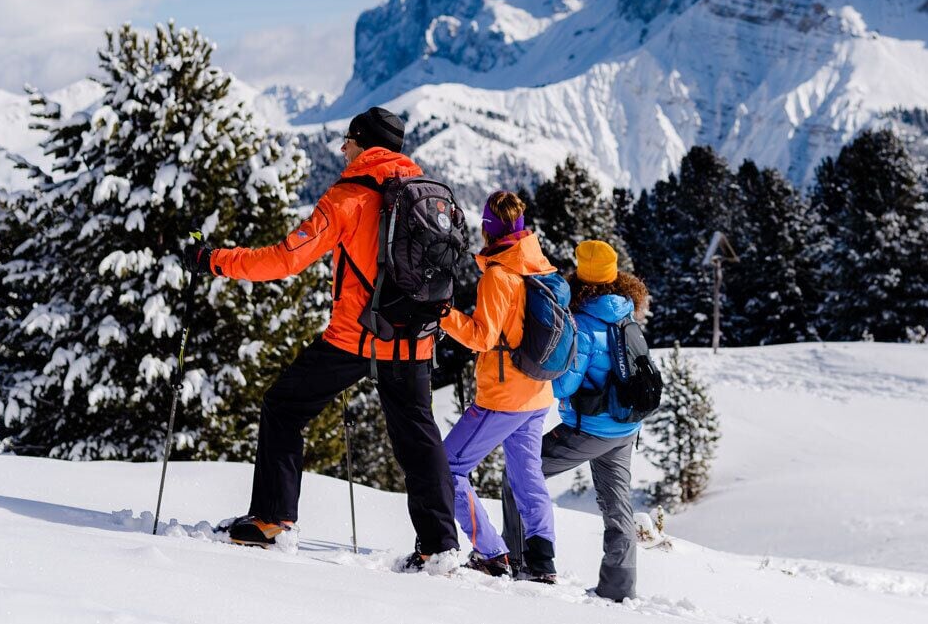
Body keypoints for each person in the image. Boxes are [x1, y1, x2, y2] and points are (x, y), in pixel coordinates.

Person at [182, 107, 460, 569]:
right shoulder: (426, 192)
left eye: (347, 142)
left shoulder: (348, 196)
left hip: (356, 337)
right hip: (415, 339)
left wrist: (216, 260)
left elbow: (285, 259)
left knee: (283, 406)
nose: (343, 150)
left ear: (361, 142)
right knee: (418, 437)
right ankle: (439, 547)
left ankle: (271, 520)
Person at [502, 240, 646, 601]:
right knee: (617, 505)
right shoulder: (626, 312)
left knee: (520, 474)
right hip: (626, 427)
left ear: (581, 275)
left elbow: (564, 383)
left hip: (590, 428)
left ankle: (521, 562)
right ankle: (618, 587)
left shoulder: (582, 322)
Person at [439, 190, 559, 581]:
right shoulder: (540, 266)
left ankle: (491, 552)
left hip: (503, 396)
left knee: (447, 467)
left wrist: (442, 315)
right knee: (527, 477)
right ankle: (542, 560)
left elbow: (482, 337)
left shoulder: (498, 274)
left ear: (488, 230)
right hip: (538, 393)